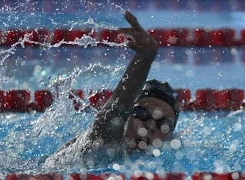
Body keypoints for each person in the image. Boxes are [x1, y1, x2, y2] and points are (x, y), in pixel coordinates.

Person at [43, 10, 179, 169]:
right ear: (127, 116)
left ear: (170, 136)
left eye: (163, 124)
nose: (149, 126)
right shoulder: (105, 141)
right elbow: (121, 101)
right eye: (142, 114)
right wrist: (145, 57)